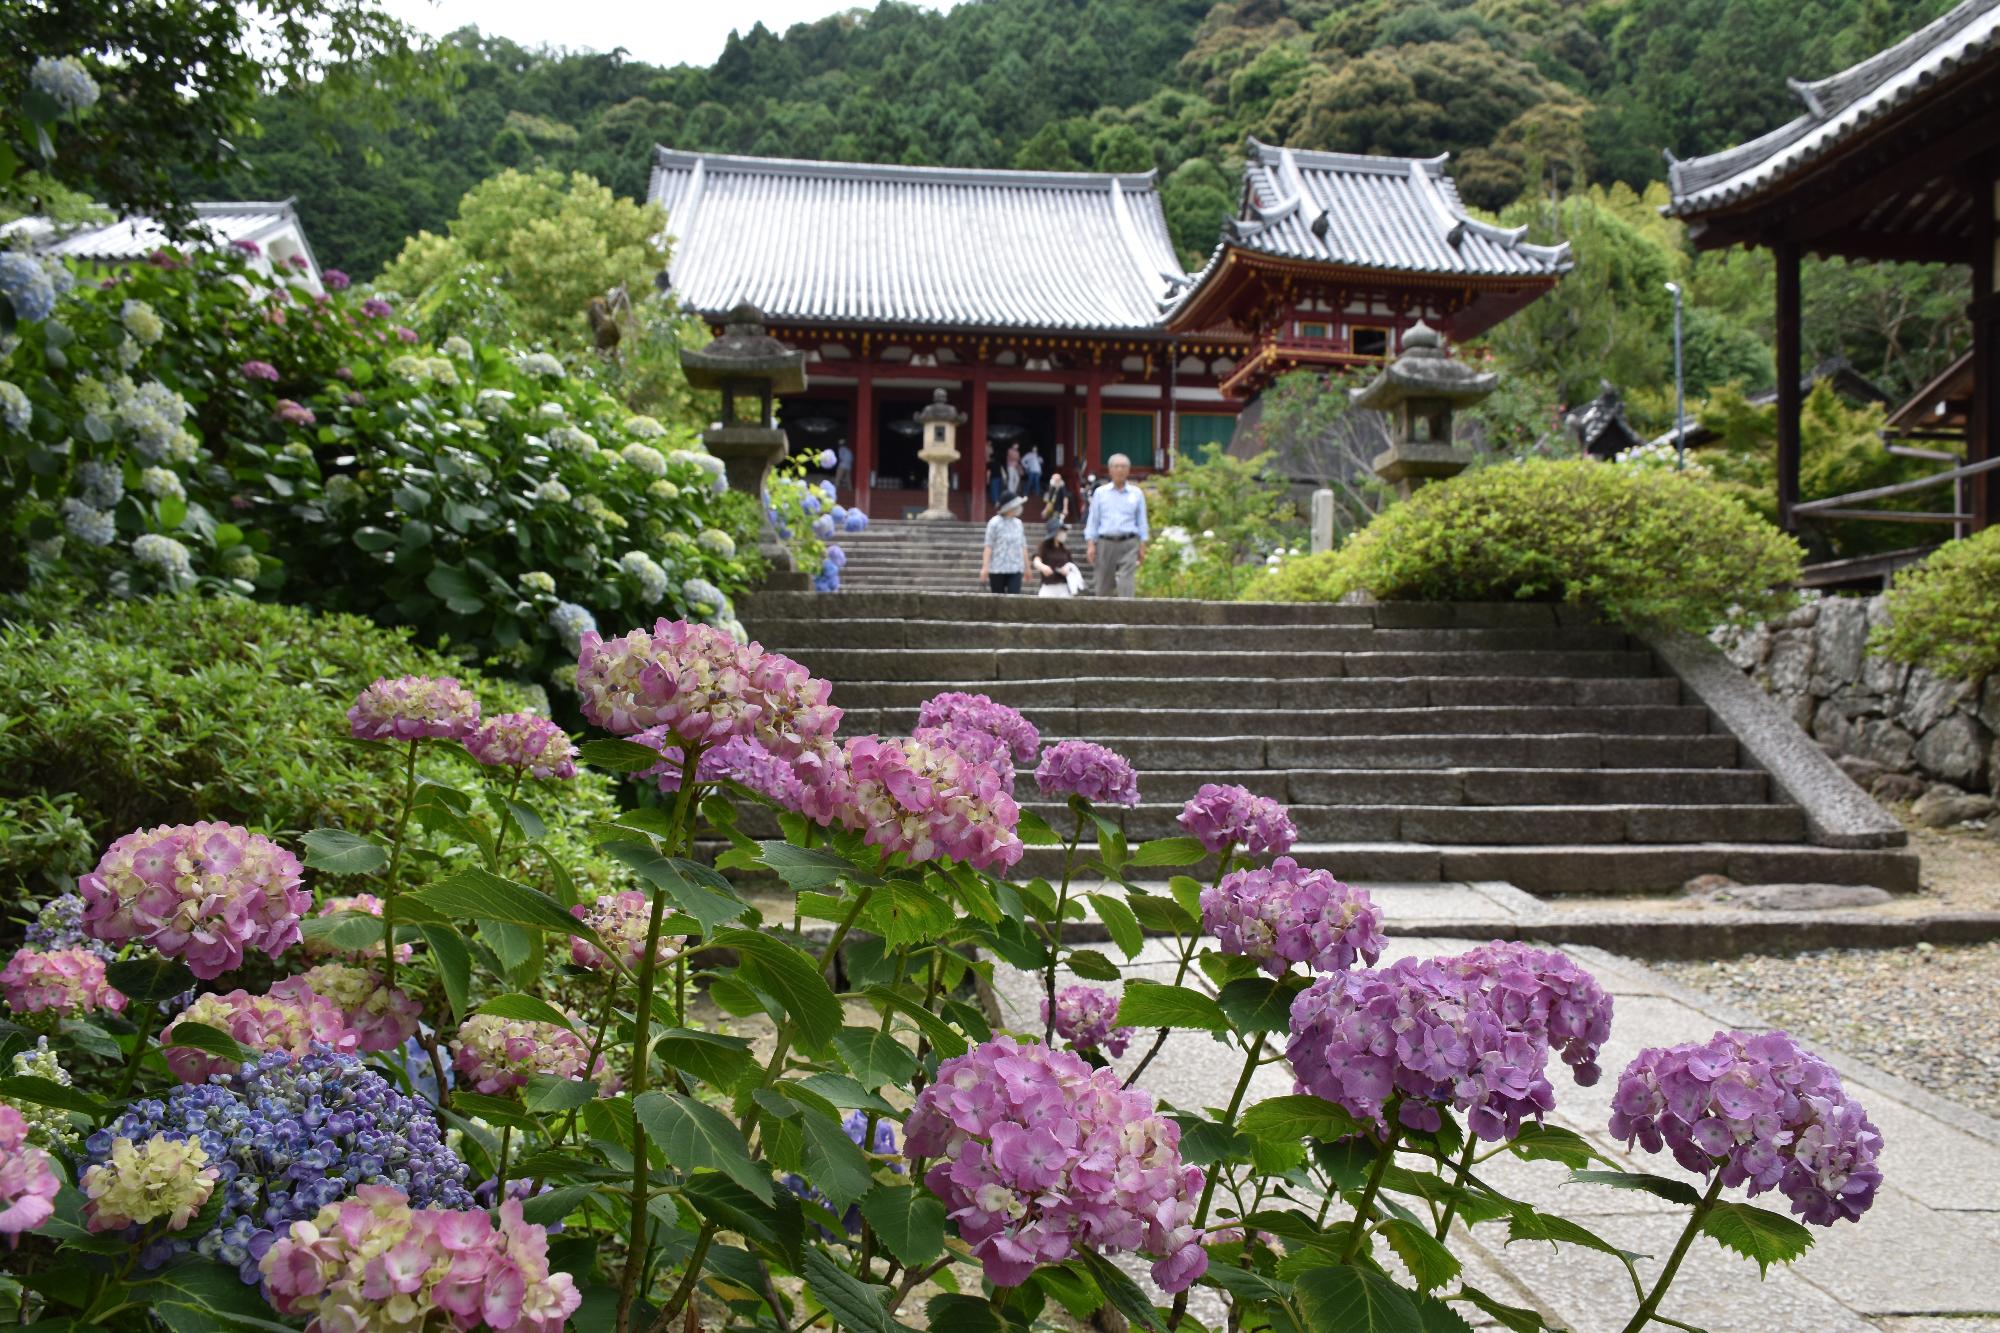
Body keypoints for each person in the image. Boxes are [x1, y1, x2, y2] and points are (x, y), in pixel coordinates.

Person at [1084, 453, 1148, 598]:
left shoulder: (1136, 493)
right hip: (1105, 541)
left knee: (1127, 583)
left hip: (1129, 542)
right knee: (1103, 584)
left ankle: (1127, 617)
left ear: (1128, 470)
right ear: (1110, 470)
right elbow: (1093, 520)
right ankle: (1102, 618)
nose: (1120, 470)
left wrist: (1143, 544)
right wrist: (1090, 544)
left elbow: (1142, 521)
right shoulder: (1100, 493)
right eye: (1116, 466)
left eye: (1123, 466)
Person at [980, 492, 1028, 594]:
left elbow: (1023, 546)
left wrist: (1027, 567)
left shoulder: (1018, 524)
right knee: (998, 600)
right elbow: (988, 546)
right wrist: (985, 567)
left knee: (1014, 598)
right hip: (997, 568)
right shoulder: (994, 523)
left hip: (1016, 568)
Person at [1034, 523, 1083, 598]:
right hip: (1048, 587)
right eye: (1061, 531)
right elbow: (1036, 561)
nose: (1063, 533)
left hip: (1064, 588)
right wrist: (1043, 567)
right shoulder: (1044, 548)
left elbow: (1071, 565)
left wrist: (1067, 570)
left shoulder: (1065, 550)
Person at [1041, 472, 1070, 538]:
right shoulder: (1052, 487)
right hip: (1052, 509)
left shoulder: (1062, 487)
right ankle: (1052, 536)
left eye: (1058, 480)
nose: (1056, 481)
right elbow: (1049, 501)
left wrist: (1065, 508)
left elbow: (1065, 498)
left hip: (1059, 509)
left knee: (1056, 522)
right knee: (1051, 522)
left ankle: (1054, 536)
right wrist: (1045, 510)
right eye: (1055, 479)